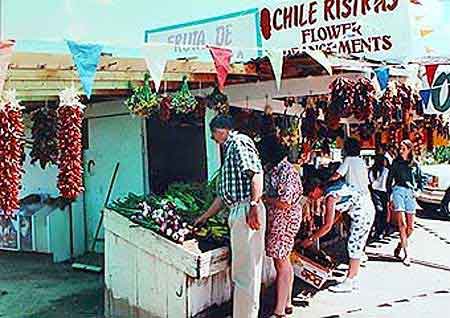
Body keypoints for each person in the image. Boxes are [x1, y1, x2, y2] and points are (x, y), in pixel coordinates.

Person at [195, 114, 266, 318]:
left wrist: (253, 205)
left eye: (213, 134)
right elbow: (223, 197)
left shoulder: (239, 143)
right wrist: (204, 217)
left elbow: (256, 173)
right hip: (239, 209)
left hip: (246, 209)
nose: (212, 138)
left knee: (246, 272)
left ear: (220, 130)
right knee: (242, 271)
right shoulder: (230, 149)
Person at [300, 179, 375, 293]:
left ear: (316, 189)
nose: (311, 198)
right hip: (365, 210)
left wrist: (311, 239)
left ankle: (349, 280)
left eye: (311, 194)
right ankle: (353, 277)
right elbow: (337, 215)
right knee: (355, 245)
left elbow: (327, 226)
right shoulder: (334, 189)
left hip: (362, 215)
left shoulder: (331, 197)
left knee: (354, 246)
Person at [260, 136, 303, 318]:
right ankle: (287, 302)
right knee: (283, 261)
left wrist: (263, 199)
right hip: (281, 219)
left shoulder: (286, 172)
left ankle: (279, 309)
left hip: (284, 220)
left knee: (282, 262)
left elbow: (285, 202)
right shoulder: (277, 170)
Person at [386, 139, 422, 266]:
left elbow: (421, 180)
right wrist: (389, 196)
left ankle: (401, 245)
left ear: (409, 149)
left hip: (410, 193)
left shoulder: (415, 164)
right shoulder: (395, 163)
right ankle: (407, 254)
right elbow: (389, 181)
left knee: (411, 227)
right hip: (398, 192)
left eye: (403, 148)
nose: (400, 150)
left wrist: (418, 191)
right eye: (400, 148)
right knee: (402, 224)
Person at [369, 155, 390, 239]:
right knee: (383, 212)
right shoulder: (386, 171)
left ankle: (376, 229)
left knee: (378, 211)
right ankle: (380, 231)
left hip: (375, 192)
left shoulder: (371, 171)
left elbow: (370, 182)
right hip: (383, 193)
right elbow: (389, 183)